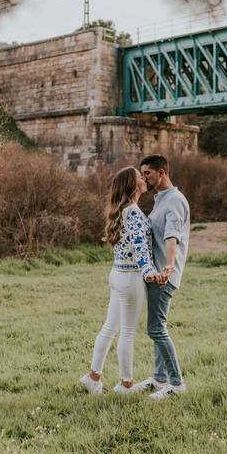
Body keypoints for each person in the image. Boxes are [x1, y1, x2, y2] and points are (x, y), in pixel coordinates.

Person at [80, 166, 158, 395]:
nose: (144, 178)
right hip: (131, 277)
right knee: (127, 332)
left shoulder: (121, 211)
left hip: (117, 274)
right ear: (132, 186)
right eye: (139, 177)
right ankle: (126, 384)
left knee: (110, 327)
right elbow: (140, 246)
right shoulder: (132, 212)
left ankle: (93, 377)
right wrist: (148, 271)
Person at [134, 154, 190, 400]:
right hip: (156, 274)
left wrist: (167, 267)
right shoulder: (162, 199)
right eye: (142, 174)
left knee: (156, 329)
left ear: (161, 172)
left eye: (147, 173)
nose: (144, 178)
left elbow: (171, 236)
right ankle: (159, 379)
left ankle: (176, 385)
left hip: (163, 276)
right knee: (158, 327)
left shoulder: (174, 200)